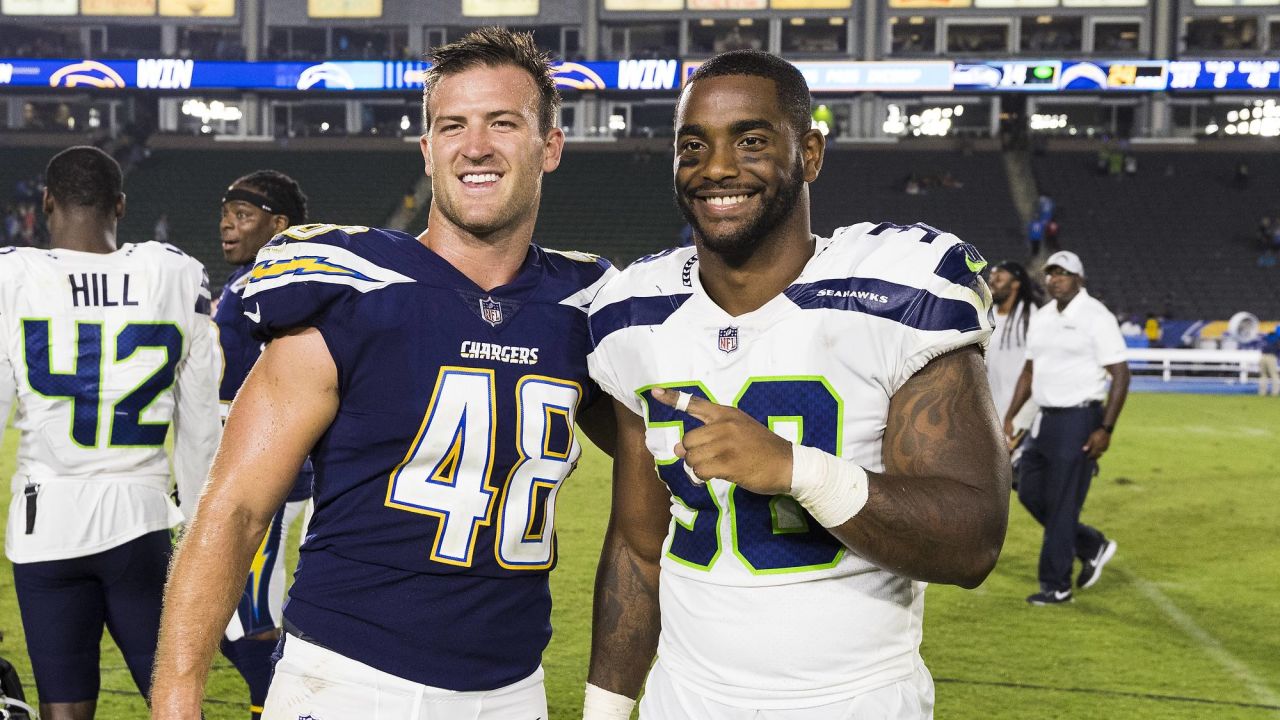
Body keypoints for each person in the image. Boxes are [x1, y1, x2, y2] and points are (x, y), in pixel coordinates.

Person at [150, 27, 615, 719]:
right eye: (453, 125)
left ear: (550, 146)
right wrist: (177, 695)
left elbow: (664, 463)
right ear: (428, 150)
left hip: (514, 689)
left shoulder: (583, 305)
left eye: (502, 123)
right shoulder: (349, 288)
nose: (476, 146)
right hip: (348, 681)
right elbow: (237, 505)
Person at [582, 50, 1009, 719]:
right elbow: (639, 548)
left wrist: (796, 470)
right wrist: (604, 709)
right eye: (693, 146)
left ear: (809, 153)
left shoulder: (900, 290)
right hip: (684, 700)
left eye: (750, 140)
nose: (717, 168)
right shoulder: (634, 309)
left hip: (855, 701)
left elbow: (972, 541)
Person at [0, 146, 219, 720]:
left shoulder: (12, 277)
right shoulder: (174, 272)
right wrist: (200, 530)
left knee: (63, 708)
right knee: (173, 701)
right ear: (120, 204)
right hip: (141, 521)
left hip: (44, 523)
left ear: (46, 201)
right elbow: (200, 430)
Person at [212, 169, 314, 720]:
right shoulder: (260, 279)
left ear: (278, 225)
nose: (228, 226)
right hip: (261, 462)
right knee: (239, 614)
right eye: (225, 216)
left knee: (247, 617)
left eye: (243, 216)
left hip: (268, 467)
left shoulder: (276, 282)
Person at [1004, 250, 1127, 606]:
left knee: (1061, 506)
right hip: (1044, 419)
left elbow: (1120, 375)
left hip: (1079, 419)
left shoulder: (1096, 317)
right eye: (1050, 273)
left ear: (1079, 279)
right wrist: (1011, 414)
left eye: (1062, 273)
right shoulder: (1042, 317)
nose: (1054, 279)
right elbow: (1029, 371)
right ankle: (1091, 544)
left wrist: (1105, 428)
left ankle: (1056, 586)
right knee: (1028, 490)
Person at [986, 261, 1043, 453]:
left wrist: (1019, 416)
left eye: (1000, 277)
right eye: (991, 277)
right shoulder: (987, 315)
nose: (992, 281)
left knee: (1019, 472)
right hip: (991, 409)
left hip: (1021, 410)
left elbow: (1037, 368)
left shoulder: (1031, 316)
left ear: (1016, 284)